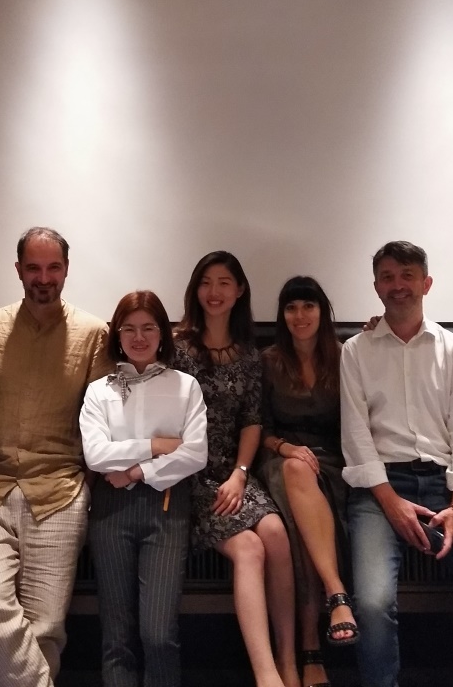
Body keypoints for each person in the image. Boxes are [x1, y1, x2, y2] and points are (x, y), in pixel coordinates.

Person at [341, 240, 453, 687]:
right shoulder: (356, 350)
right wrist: (391, 503)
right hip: (378, 492)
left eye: (407, 275)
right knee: (372, 607)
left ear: (426, 283)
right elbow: (356, 437)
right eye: (387, 277)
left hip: (447, 489)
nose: (397, 285)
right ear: (376, 286)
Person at [0, 227, 113, 687]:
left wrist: (85, 489)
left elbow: (102, 424)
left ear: (66, 270)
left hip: (60, 493)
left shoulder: (94, 334)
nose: (43, 278)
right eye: (34, 268)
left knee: (46, 628)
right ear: (18, 270)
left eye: (53, 267)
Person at [172, 251, 299, 687]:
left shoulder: (249, 354)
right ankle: (267, 676)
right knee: (249, 548)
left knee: (276, 534)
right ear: (195, 289)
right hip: (189, 475)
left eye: (224, 282)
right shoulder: (176, 348)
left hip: (234, 473)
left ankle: (288, 661)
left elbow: (252, 421)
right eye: (206, 282)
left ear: (240, 290)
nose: (214, 292)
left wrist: (241, 473)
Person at [80, 290, 208, 687]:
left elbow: (196, 454)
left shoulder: (185, 386)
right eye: (129, 329)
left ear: (163, 333)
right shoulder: (99, 390)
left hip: (167, 509)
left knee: (158, 634)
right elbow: (96, 455)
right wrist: (156, 445)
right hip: (110, 512)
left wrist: (136, 471)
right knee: (116, 636)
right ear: (117, 335)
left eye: (148, 328)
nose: (139, 337)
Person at [257, 276, 358, 687]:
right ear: (282, 315)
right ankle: (336, 596)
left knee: (301, 531)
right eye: (291, 307)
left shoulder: (346, 355)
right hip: (280, 458)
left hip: (334, 463)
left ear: (322, 311)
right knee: (298, 472)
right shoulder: (268, 361)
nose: (300, 315)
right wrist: (286, 449)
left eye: (308, 306)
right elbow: (259, 429)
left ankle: (309, 651)